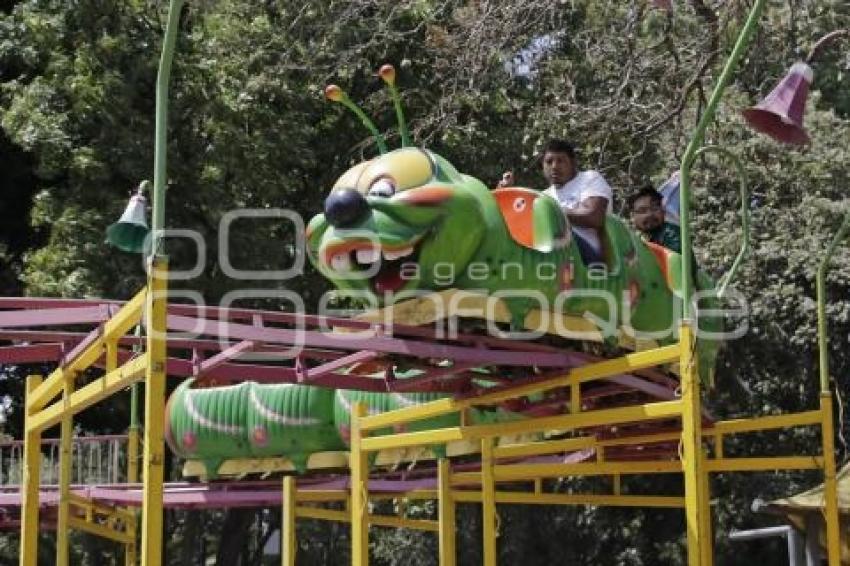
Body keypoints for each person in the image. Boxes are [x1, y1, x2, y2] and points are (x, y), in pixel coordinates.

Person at [499, 139, 613, 265]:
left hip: (588, 258)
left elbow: (594, 217)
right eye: (549, 162)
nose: (554, 166)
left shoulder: (589, 179)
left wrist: (552, 213)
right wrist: (507, 195)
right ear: (542, 166)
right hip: (551, 253)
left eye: (561, 161)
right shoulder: (544, 196)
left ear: (573, 163)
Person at [628, 185, 682, 253]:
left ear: (663, 210)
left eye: (654, 208)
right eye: (642, 210)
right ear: (632, 216)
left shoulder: (672, 233)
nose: (649, 214)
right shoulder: (636, 239)